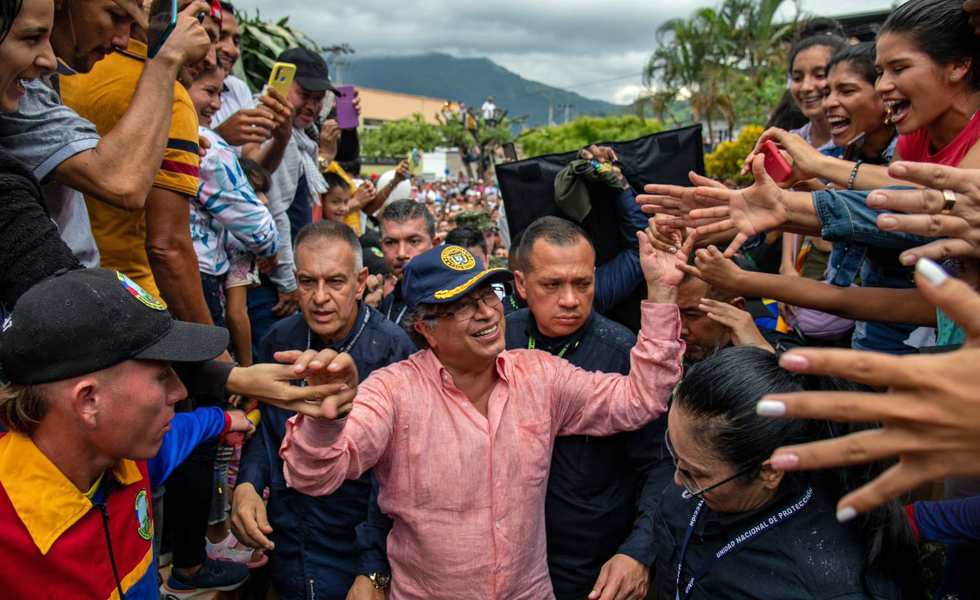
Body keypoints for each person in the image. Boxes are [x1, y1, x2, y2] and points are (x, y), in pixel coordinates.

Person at [278, 229, 685, 599]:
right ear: (426, 328)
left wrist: (663, 294)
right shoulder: (392, 393)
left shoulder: (537, 375)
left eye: (488, 296)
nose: (488, 313)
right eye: (462, 306)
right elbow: (314, 475)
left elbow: (641, 398)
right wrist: (325, 418)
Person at [0, 268, 255, 599]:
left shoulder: (128, 456)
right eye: (162, 375)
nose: (180, 392)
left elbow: (184, 430)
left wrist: (224, 420)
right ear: (89, 400)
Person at [232, 221, 416, 599]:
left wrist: (372, 568)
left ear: (361, 280)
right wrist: (248, 483)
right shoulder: (280, 339)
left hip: (357, 540)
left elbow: (398, 472)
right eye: (306, 282)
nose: (319, 297)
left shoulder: (393, 350)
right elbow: (269, 430)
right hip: (289, 535)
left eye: (334, 282)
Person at [656, 346, 918, 599]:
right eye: (673, 452)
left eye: (695, 475)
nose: (679, 481)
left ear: (770, 472)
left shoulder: (815, 585)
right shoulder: (709, 472)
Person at [508, 217, 674, 600]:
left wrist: (638, 552)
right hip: (508, 559)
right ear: (521, 284)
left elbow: (660, 464)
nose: (569, 299)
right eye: (552, 285)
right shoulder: (497, 340)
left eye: (582, 284)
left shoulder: (625, 352)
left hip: (591, 568)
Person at [0, 0, 210, 268]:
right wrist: (167, 57)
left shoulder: (38, 73)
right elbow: (123, 183)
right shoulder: (18, 84)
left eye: (133, 24)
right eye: (116, 16)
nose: (123, 40)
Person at [248, 46, 340, 349]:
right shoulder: (276, 132)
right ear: (281, 84)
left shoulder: (302, 137)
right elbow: (277, 211)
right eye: (305, 95)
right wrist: (288, 283)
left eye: (318, 98)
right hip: (273, 286)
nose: (312, 106)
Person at [377, 199, 440, 326]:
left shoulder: (452, 301)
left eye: (414, 241)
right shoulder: (386, 303)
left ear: (435, 244)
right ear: (381, 246)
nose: (401, 253)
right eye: (390, 242)